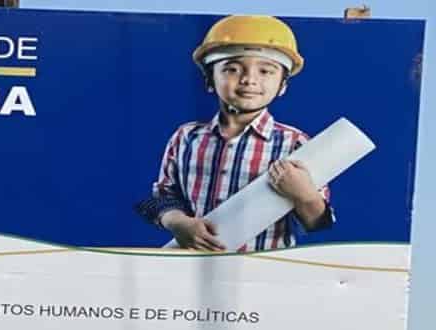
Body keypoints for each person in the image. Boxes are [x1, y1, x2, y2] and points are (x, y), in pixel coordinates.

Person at [137, 14, 336, 252]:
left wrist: (304, 195)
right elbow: (161, 198)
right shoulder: (186, 137)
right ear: (209, 80)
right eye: (232, 69)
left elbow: (317, 223)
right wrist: (177, 222)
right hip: (190, 269)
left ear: (282, 85)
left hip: (262, 275)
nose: (248, 80)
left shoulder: (296, 144)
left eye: (266, 71)